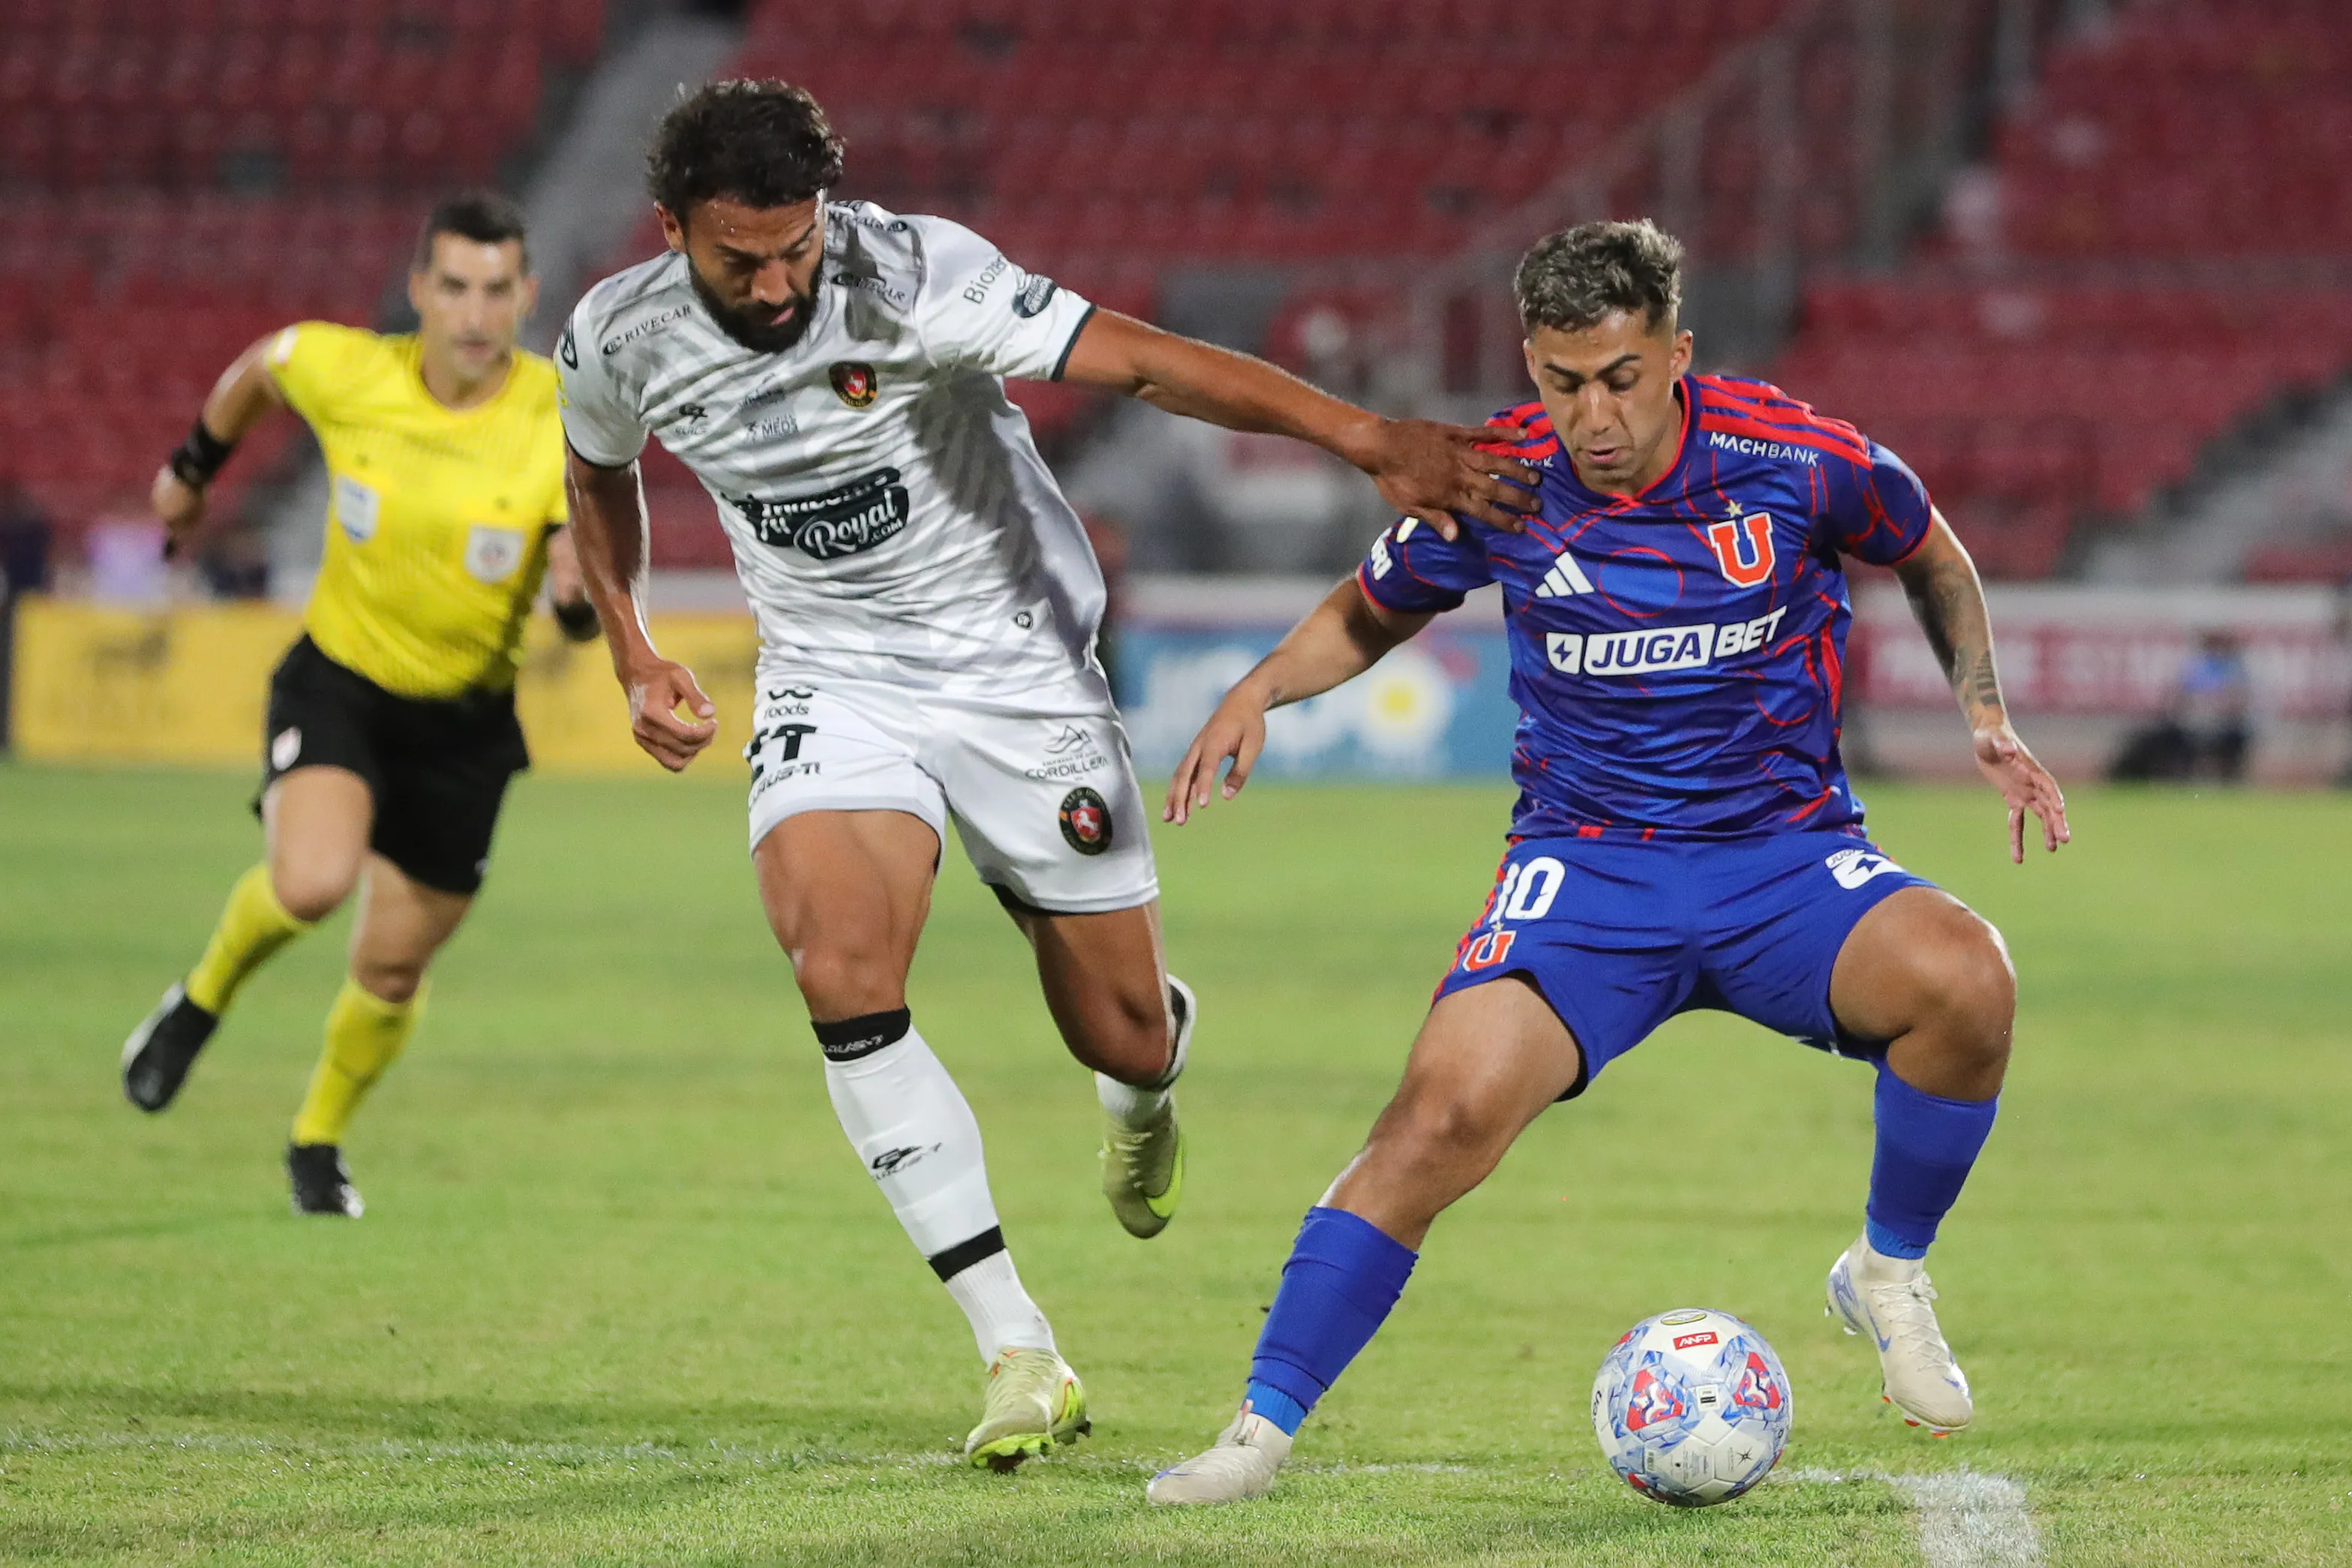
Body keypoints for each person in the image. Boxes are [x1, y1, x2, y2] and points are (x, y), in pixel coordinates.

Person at [556, 80, 1537, 1470]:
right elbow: (595, 476)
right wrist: (633, 647)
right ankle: (1019, 1348)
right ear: (671, 231)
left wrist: (1369, 438)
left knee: (1117, 1035)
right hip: (834, 679)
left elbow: (1141, 363)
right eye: (740, 260)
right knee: (839, 966)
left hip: (1020, 672)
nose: (778, 285)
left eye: (796, 249)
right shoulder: (618, 337)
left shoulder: (916, 275)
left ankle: (1149, 1077)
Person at [1146, 220, 2070, 1504]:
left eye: (1621, 379)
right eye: (1562, 381)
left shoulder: (1794, 459)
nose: (1593, 417)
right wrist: (1259, 688)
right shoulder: (1503, 477)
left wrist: (1985, 714)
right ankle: (1257, 1432)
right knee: (1437, 1117)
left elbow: (1928, 548)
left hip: (1782, 861)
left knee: (1969, 980)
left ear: (1677, 356)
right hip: (1588, 879)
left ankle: (1888, 1271)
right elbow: (1371, 609)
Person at [120, 192, 600, 1217]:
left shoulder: (561, 411)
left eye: (497, 291)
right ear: (419, 288)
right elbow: (263, 366)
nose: (475, 314)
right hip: (341, 683)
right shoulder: (350, 372)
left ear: (528, 295)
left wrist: (577, 596)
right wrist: (191, 469)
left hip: (466, 724)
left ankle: (317, 1141)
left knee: (390, 968)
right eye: (455, 287)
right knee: (310, 884)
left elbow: (582, 567)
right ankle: (198, 1002)